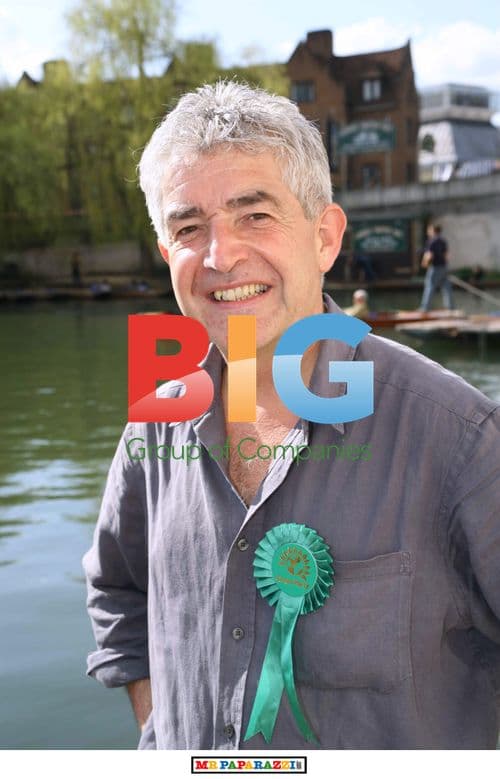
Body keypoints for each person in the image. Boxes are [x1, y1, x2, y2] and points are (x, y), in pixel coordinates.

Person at [83, 81, 500, 750]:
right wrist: (161, 732)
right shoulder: (153, 425)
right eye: (189, 227)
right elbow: (117, 589)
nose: (221, 256)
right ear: (169, 257)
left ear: (325, 236)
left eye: (255, 215)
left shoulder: (458, 441)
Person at [418, 224, 454, 311]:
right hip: (443, 267)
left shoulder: (431, 241)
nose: (428, 232)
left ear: (433, 231)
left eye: (429, 230)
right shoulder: (443, 241)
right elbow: (447, 255)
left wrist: (424, 263)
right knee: (446, 287)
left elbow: (429, 254)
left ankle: (424, 308)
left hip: (435, 267)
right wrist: (445, 266)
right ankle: (451, 308)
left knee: (429, 286)